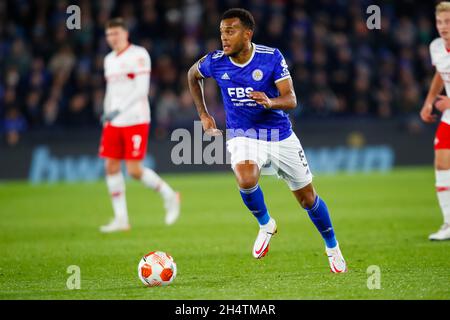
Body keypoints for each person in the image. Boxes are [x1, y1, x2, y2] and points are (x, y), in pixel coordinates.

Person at [187, 8, 347, 272]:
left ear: (247, 34)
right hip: (243, 134)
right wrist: (203, 115)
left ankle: (332, 247)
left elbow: (292, 99)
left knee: (308, 199)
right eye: (221, 32)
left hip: (279, 135)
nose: (224, 38)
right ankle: (265, 223)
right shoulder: (215, 61)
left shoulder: (271, 57)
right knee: (246, 178)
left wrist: (271, 102)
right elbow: (192, 75)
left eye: (230, 31)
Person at [99, 18, 180, 233]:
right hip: (113, 121)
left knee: (134, 170)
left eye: (116, 33)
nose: (112, 38)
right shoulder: (108, 60)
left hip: (135, 119)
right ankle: (121, 219)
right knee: (111, 167)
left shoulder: (139, 55)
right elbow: (111, 90)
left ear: (125, 34)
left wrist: (119, 109)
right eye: (109, 35)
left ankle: (170, 196)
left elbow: (142, 90)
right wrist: (106, 110)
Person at [420, 1, 450, 241]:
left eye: (448, 22)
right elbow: (441, 72)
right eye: (440, 22)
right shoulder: (437, 47)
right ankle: (448, 223)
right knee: (441, 164)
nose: (443, 26)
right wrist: (429, 101)